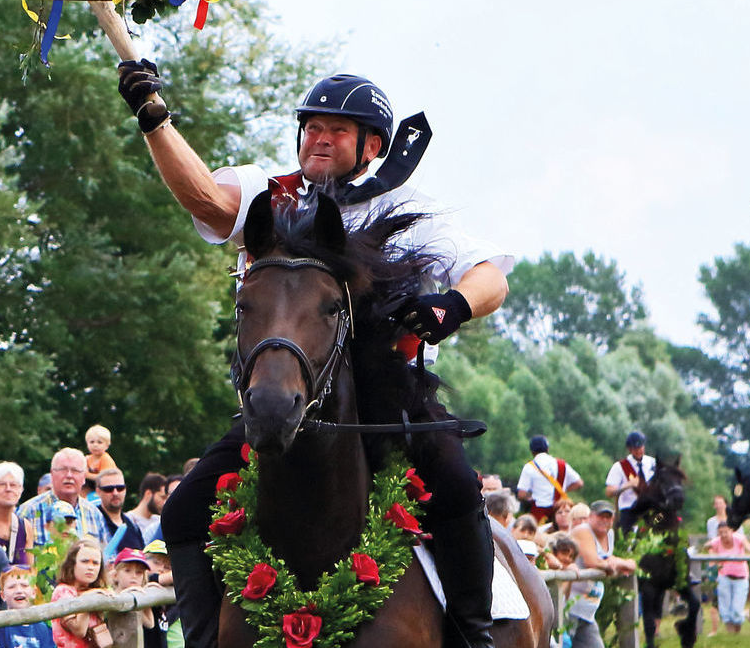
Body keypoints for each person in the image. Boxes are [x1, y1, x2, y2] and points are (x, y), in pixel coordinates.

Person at [112, 58, 513, 648]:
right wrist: (154, 119)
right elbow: (203, 197)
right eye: (312, 128)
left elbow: (489, 278)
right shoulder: (270, 196)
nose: (319, 139)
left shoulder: (406, 209)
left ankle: (475, 636)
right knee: (182, 511)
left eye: (338, 130)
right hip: (283, 389)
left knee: (455, 485)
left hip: (386, 396)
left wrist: (448, 307)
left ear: (373, 144)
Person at [566, 500, 637, 648]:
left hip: (588, 611)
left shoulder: (609, 534)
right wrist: (610, 564)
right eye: (600, 516)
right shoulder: (583, 531)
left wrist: (615, 561)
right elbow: (592, 561)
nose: (604, 521)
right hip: (569, 606)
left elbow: (631, 565)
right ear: (591, 516)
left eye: (608, 517)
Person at [16, 449, 107, 551]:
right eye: (63, 469)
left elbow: (105, 558)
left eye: (75, 470)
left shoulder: (94, 514)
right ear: (52, 474)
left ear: (84, 477)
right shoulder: (29, 512)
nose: (69, 475)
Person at [50, 539, 109, 648]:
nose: (90, 567)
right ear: (72, 564)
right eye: (85, 561)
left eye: (95, 563)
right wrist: (88, 598)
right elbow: (79, 630)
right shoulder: (62, 592)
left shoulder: (95, 590)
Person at [0, 566, 54, 648]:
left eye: (24, 585)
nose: (19, 591)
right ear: (3, 595)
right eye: (11, 587)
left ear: (34, 592)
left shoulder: (43, 629)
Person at [516, 435, 582, 523]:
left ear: (532, 451)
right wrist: (562, 490)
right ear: (547, 449)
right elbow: (579, 483)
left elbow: (521, 494)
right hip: (560, 511)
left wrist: (530, 497)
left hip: (539, 513)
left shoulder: (529, 467)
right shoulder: (561, 464)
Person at [0, 463, 33, 567]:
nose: (8, 489)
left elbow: (30, 571)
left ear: (20, 490)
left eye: (13, 485)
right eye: (2, 484)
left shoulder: (25, 526)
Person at [705, 522, 750, 633]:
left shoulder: (738, 539)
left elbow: (749, 547)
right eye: (720, 532)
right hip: (724, 577)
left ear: (731, 531)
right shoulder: (717, 541)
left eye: (725, 532)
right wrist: (713, 554)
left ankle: (744, 613)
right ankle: (731, 638)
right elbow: (706, 546)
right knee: (725, 610)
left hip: (740, 578)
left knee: (736, 611)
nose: (723, 535)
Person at [604, 431, 656, 535]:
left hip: (651, 509)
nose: (639, 451)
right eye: (635, 449)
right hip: (630, 512)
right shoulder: (620, 467)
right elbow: (609, 492)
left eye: (640, 447)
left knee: (662, 520)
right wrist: (627, 485)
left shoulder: (652, 463)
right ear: (630, 449)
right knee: (630, 538)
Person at [93, 471, 144, 562]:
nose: (115, 493)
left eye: (120, 488)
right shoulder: (93, 521)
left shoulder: (133, 526)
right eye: (109, 489)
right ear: (98, 491)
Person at [123, 473, 165, 541]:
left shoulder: (160, 521)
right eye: (162, 497)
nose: (165, 502)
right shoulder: (128, 520)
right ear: (148, 494)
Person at [83, 426, 118, 496]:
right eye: (92, 442)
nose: (95, 445)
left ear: (107, 445)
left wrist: (87, 475)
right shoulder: (87, 459)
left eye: (99, 442)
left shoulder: (105, 459)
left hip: (107, 489)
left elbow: (104, 478)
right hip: (91, 489)